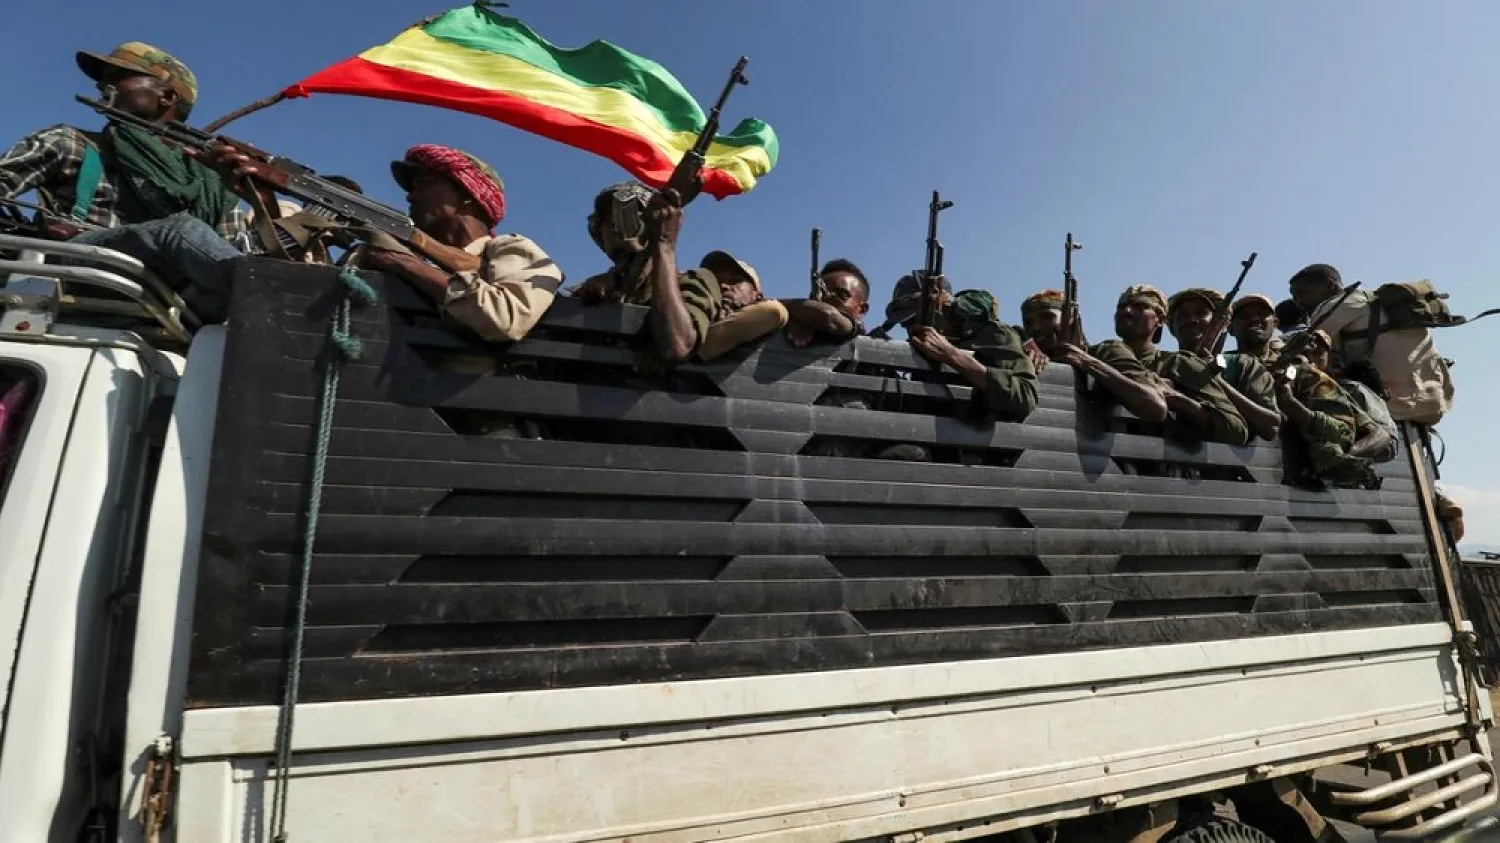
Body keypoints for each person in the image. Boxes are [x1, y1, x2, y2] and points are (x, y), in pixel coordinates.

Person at [0, 42, 269, 322]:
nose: (103, 85)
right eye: (104, 79)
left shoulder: (211, 181)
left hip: (168, 305)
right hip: (81, 274)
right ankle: (275, 311)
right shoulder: (70, 142)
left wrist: (266, 209)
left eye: (118, 78)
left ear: (165, 97)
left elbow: (228, 254)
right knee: (180, 231)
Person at [352, 144, 563, 343]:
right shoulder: (405, 253)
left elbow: (505, 318)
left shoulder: (510, 248)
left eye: (425, 184)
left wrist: (405, 264)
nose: (411, 196)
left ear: (467, 196)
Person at [576, 182, 780, 362]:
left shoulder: (693, 281)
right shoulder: (594, 287)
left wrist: (664, 245)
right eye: (607, 221)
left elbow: (678, 345)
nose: (614, 227)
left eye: (624, 216)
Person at [1288, 262, 1453, 425]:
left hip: (1389, 408)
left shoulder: (1335, 306)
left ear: (1330, 285)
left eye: (1301, 293)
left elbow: (1299, 350)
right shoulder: (1382, 304)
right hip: (1435, 403)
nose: (1297, 302)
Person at [896, 277, 1039, 422]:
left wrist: (953, 355)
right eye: (905, 324)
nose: (911, 329)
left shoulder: (993, 334)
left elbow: (1025, 396)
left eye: (913, 320)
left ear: (942, 306)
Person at [1041, 287, 1168, 426]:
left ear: (1160, 319)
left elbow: (1155, 407)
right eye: (1121, 307)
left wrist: (1088, 363)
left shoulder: (1105, 351)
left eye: (1140, 306)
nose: (1126, 311)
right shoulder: (1097, 352)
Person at [1167, 288, 1279, 442]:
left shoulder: (1242, 365)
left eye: (1201, 313)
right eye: (1183, 315)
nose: (1192, 320)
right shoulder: (1163, 365)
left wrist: (1215, 380)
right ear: (1171, 327)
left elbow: (1270, 427)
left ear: (1219, 323)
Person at [783, 258, 869, 347]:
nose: (827, 298)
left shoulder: (854, 329)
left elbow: (828, 315)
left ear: (862, 310)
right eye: (821, 293)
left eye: (841, 295)